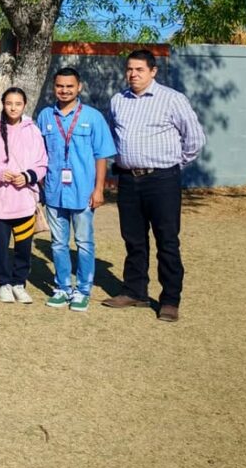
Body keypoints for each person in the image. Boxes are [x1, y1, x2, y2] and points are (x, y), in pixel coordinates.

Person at [104, 49, 205, 323]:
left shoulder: (172, 99)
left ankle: (170, 300)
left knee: (167, 241)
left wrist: (171, 167)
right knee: (133, 239)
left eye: (139, 69)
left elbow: (194, 140)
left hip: (162, 180)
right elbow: (114, 135)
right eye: (129, 69)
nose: (133, 74)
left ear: (153, 71)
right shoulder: (118, 101)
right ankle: (135, 291)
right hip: (128, 180)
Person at [35, 67, 116, 312]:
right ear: (54, 87)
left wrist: (99, 189)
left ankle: (82, 290)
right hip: (54, 192)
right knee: (58, 243)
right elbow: (38, 154)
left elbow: (102, 155)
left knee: (83, 242)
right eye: (60, 86)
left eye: (70, 86)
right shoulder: (46, 116)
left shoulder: (92, 117)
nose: (64, 90)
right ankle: (62, 287)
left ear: (79, 87)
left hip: (83, 192)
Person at [0, 88, 47, 305]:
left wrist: (28, 176)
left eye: (18, 103)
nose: (13, 107)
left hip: (24, 199)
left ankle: (19, 283)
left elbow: (42, 163)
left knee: (23, 246)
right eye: (9, 103)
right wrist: (0, 173)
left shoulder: (33, 131)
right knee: (0, 246)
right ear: (2, 104)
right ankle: (3, 283)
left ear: (25, 105)